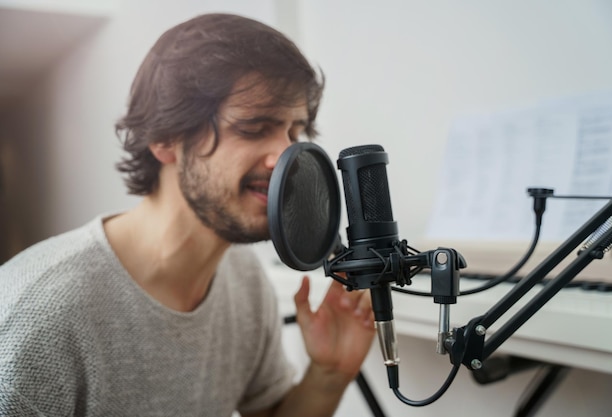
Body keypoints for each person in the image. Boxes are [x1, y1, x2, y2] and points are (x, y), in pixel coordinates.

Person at [0, 13, 375, 417]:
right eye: (253, 127)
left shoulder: (245, 283)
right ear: (165, 139)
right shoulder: (38, 317)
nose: (286, 157)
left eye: (295, 132)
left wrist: (329, 374)